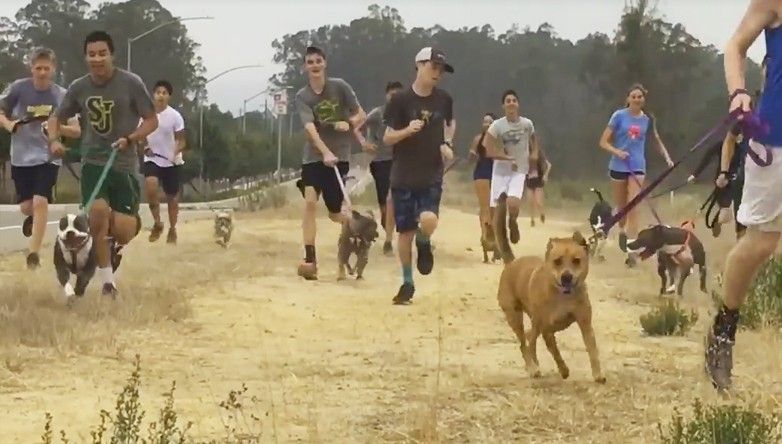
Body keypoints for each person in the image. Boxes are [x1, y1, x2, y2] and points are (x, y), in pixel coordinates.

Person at [705, 0, 782, 392]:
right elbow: (735, 45)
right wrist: (738, 93)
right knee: (760, 243)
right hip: (775, 141)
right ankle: (723, 333)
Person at [48, 30, 158, 297]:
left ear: (112, 55)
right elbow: (55, 117)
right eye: (92, 54)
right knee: (97, 216)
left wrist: (131, 138)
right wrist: (54, 140)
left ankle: (116, 235)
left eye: (102, 53)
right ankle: (108, 283)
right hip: (94, 163)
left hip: (123, 165)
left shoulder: (131, 83)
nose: (97, 59)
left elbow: (152, 120)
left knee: (121, 231)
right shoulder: (79, 87)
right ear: (86, 57)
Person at [383, 47, 455, 305]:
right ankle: (407, 282)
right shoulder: (400, 100)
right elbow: (387, 137)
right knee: (404, 233)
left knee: (429, 220)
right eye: (433, 67)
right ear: (419, 65)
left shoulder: (444, 99)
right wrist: (406, 131)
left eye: (441, 70)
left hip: (431, 174)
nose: (437, 73)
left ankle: (424, 242)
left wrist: (447, 143)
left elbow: (449, 123)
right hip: (403, 176)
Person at [0, 48, 80, 269]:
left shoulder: (61, 95)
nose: (42, 72)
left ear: (53, 69)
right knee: (27, 207)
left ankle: (33, 253)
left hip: (47, 156)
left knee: (40, 201)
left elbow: (76, 131)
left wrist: (55, 126)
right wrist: (10, 125)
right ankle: (34, 216)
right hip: (21, 157)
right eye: (38, 68)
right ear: (31, 68)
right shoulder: (18, 89)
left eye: (47, 68)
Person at [294, 45, 366, 280]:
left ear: (324, 64)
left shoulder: (340, 87)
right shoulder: (302, 97)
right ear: (305, 67)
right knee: (310, 202)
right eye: (310, 62)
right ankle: (310, 258)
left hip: (340, 157)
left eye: (318, 61)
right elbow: (309, 128)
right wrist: (324, 152)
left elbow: (360, 114)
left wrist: (349, 122)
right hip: (314, 158)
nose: (314, 65)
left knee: (336, 214)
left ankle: (359, 232)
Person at [598, 84, 674, 268]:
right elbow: (603, 142)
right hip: (618, 165)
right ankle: (618, 232)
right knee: (622, 210)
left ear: (643, 99)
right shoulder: (619, 116)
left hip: (637, 166)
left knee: (633, 208)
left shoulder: (647, 120)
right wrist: (617, 152)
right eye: (634, 96)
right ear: (628, 99)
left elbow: (655, 140)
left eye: (640, 96)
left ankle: (632, 253)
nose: (637, 99)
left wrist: (667, 157)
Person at [484, 89, 538, 246]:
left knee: (513, 204)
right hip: (501, 170)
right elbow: (487, 149)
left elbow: (534, 141)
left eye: (514, 100)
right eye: (508, 101)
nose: (511, 103)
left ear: (518, 104)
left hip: (519, 169)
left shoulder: (527, 124)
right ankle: (493, 232)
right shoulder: (497, 125)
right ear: (503, 105)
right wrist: (505, 157)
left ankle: (512, 222)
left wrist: (534, 153)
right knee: (495, 207)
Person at [360, 81, 404, 256]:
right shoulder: (377, 114)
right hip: (381, 161)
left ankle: (388, 240)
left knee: (394, 199)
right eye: (391, 94)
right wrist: (365, 143)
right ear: (386, 96)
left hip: (401, 160)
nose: (394, 98)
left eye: (397, 95)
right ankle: (388, 230)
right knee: (384, 204)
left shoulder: (407, 114)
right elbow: (359, 126)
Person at [141, 80, 186, 244]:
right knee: (151, 187)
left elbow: (181, 141)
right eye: (158, 92)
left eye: (164, 93)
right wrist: (145, 147)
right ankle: (157, 222)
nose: (160, 95)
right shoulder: (146, 114)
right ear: (153, 95)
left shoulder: (175, 116)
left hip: (171, 162)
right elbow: (140, 135)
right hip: (152, 159)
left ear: (169, 97)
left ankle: (172, 229)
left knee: (172, 198)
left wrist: (175, 153)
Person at [468, 113, 496, 252]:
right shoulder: (478, 139)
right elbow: (471, 157)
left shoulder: (499, 140)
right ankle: (486, 235)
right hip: (482, 172)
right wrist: (472, 155)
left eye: (490, 122)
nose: (486, 124)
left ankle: (491, 235)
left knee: (493, 208)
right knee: (485, 206)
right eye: (485, 122)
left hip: (496, 174)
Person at [525, 147, 552, 227]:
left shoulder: (538, 153)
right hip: (529, 181)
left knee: (538, 202)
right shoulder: (524, 154)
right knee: (530, 202)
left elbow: (549, 165)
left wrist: (545, 175)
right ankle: (532, 220)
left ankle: (542, 214)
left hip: (538, 181)